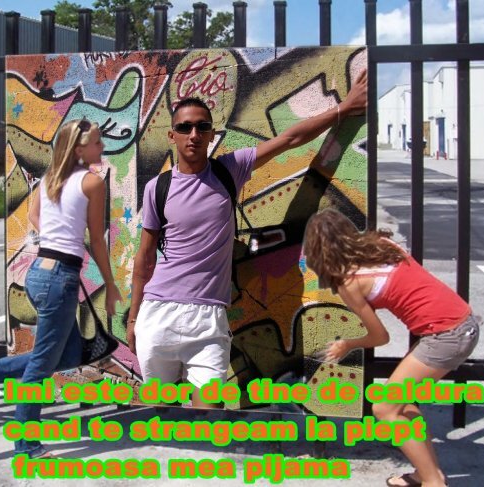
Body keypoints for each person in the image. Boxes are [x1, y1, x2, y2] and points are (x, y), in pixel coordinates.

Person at [127, 70, 368, 409]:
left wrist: (344, 108)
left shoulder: (229, 170)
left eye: (202, 127)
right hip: (158, 315)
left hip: (208, 319)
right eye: (185, 127)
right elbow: (144, 258)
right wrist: (134, 318)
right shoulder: (158, 188)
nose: (193, 134)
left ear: (212, 134)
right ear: (172, 135)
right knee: (161, 414)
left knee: (208, 417)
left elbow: (290, 139)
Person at [0, 119, 123, 459]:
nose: (102, 147)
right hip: (59, 279)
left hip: (39, 273)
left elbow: (33, 216)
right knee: (41, 367)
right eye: (97, 143)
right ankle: (26, 444)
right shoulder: (92, 182)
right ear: (79, 148)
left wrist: (57, 239)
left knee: (69, 356)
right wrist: (110, 284)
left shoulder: (49, 179)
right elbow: (98, 242)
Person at [303, 208, 481, 487]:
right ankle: (426, 473)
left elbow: (379, 337)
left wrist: (347, 344)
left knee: (385, 409)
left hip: (446, 336)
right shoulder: (383, 246)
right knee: (403, 405)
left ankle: (433, 482)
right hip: (461, 322)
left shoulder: (350, 283)